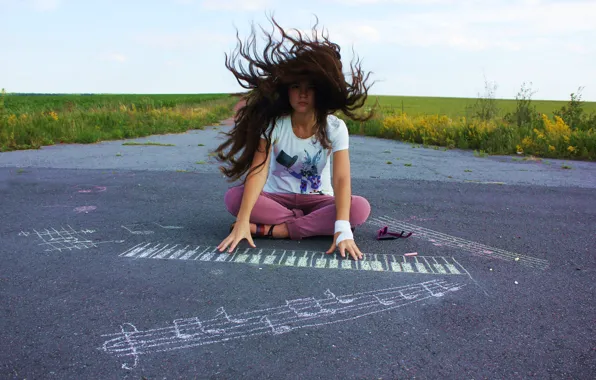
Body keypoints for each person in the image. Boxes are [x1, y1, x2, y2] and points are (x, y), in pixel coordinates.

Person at [214, 16, 376, 260]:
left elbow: (341, 178)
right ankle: (308, 227)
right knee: (234, 199)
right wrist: (243, 219)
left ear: (320, 91)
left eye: (309, 87)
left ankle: (277, 231)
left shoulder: (335, 127)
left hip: (319, 200)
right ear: (286, 90)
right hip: (276, 198)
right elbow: (258, 170)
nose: (302, 94)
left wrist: (343, 229)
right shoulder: (274, 125)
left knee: (359, 208)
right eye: (295, 87)